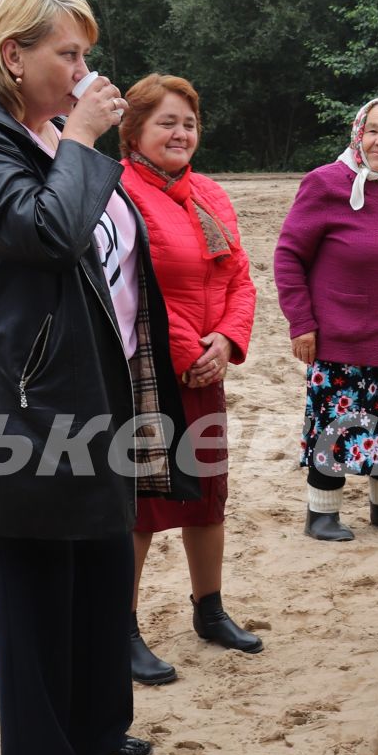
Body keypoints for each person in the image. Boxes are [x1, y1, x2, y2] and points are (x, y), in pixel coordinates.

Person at [0, 0, 195, 755]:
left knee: (101, 554)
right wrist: (81, 137)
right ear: (14, 55)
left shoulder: (37, 132)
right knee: (36, 571)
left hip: (80, 383)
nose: (83, 69)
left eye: (86, 55)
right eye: (67, 54)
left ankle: (95, 723)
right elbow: (43, 233)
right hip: (12, 397)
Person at [118, 73, 261, 685]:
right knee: (143, 505)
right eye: (166, 122)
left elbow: (239, 278)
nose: (181, 133)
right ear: (133, 131)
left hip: (207, 367)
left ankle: (210, 609)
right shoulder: (118, 193)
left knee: (207, 494)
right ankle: (119, 627)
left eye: (189, 123)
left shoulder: (209, 193)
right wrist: (186, 351)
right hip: (148, 370)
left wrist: (227, 341)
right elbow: (134, 287)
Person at [274, 96, 378, 541]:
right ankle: (322, 512)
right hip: (340, 333)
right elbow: (289, 256)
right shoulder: (325, 184)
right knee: (335, 419)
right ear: (357, 133)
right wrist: (301, 323)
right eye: (373, 131)